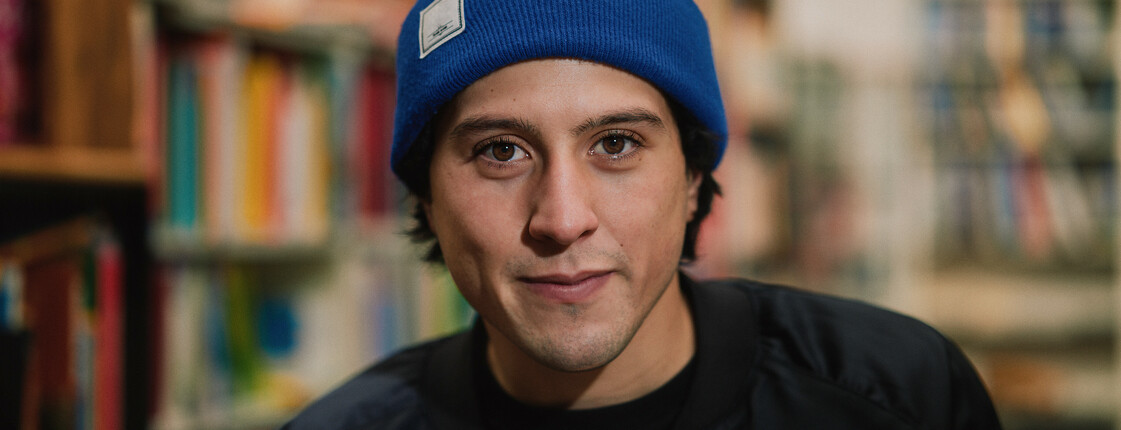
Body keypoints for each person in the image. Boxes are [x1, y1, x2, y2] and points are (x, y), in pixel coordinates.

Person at [284, 0, 1002, 428]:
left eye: (616, 143)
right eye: (501, 151)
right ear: (426, 199)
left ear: (693, 176)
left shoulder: (896, 391)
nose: (562, 218)